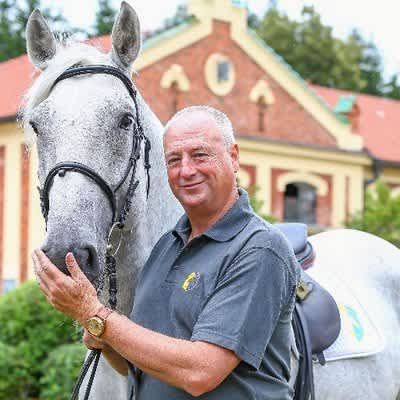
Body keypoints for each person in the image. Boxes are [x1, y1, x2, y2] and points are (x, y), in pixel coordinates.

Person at [33, 106, 300, 399]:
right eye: (174, 160)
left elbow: (201, 372)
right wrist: (99, 332)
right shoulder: (166, 247)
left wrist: (94, 312)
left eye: (200, 155)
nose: (186, 171)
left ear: (233, 157)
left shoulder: (260, 248)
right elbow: (136, 367)